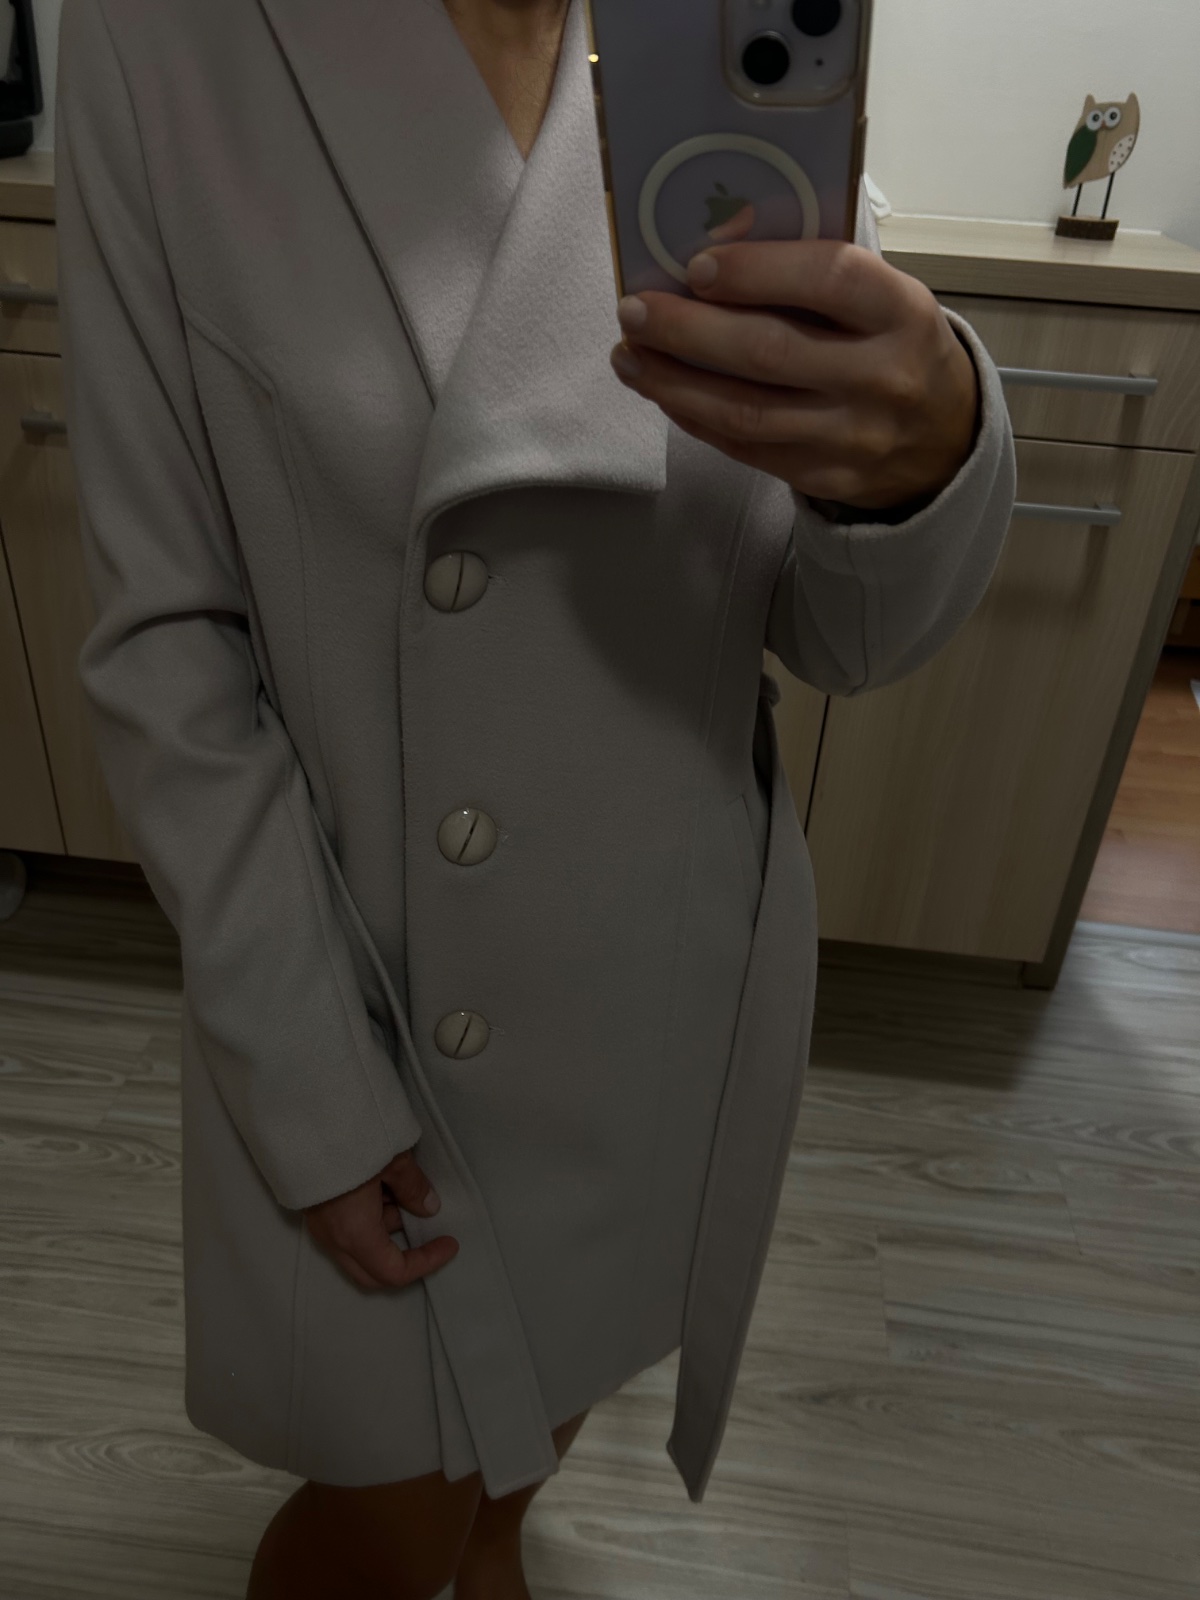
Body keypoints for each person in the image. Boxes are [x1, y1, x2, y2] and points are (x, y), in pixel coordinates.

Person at [53, 0, 1016, 1595]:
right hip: (364, 999)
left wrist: (925, 457)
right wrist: (309, 1085)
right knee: (383, 1519)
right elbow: (170, 644)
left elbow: (840, 635)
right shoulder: (168, 38)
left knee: (530, 1443)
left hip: (655, 1001)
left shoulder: (726, 37)